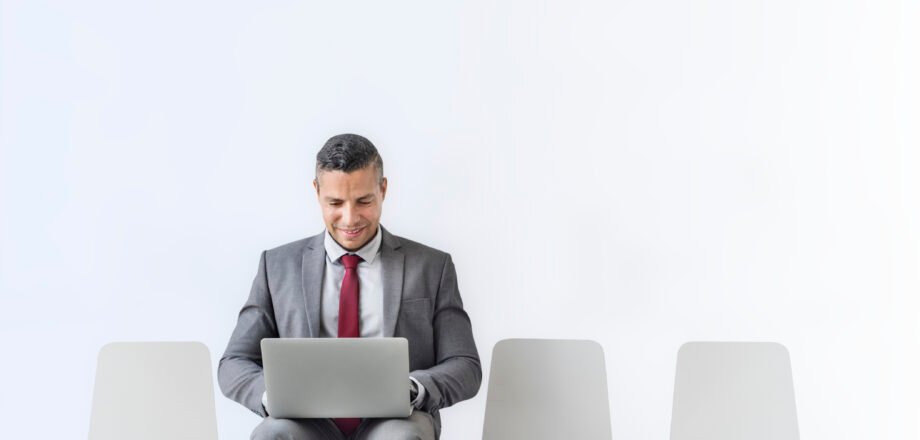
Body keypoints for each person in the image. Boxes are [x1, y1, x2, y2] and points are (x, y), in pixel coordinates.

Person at [218, 134, 481, 440]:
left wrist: (413, 388)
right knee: (273, 433)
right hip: (305, 422)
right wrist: (272, 396)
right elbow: (233, 362)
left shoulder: (433, 266)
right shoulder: (276, 266)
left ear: (383, 189)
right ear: (317, 192)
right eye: (335, 203)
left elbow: (465, 365)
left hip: (395, 420)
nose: (350, 218)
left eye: (364, 201)